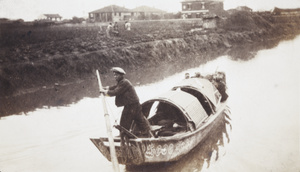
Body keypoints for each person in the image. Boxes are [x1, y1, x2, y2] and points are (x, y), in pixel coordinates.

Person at [100, 67, 152, 136]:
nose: (115, 77)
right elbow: (114, 87)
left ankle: (125, 136)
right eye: (114, 75)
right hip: (133, 105)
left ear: (121, 75)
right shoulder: (121, 82)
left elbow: (116, 92)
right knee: (139, 120)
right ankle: (144, 133)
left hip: (132, 106)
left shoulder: (124, 82)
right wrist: (106, 88)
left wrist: (104, 92)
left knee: (125, 123)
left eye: (116, 75)